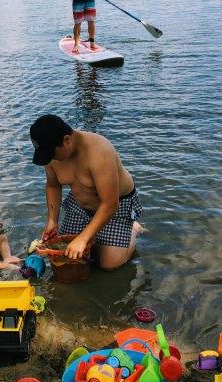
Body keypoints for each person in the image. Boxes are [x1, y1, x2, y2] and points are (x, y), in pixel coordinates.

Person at [30, 115, 144, 271]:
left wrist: (83, 238)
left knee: (109, 265)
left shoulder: (99, 151)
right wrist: (52, 220)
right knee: (66, 251)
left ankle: (133, 229)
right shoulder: (51, 155)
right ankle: (97, 236)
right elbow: (53, 185)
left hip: (116, 205)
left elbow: (110, 204)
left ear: (67, 140)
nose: (51, 159)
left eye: (52, 153)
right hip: (80, 203)